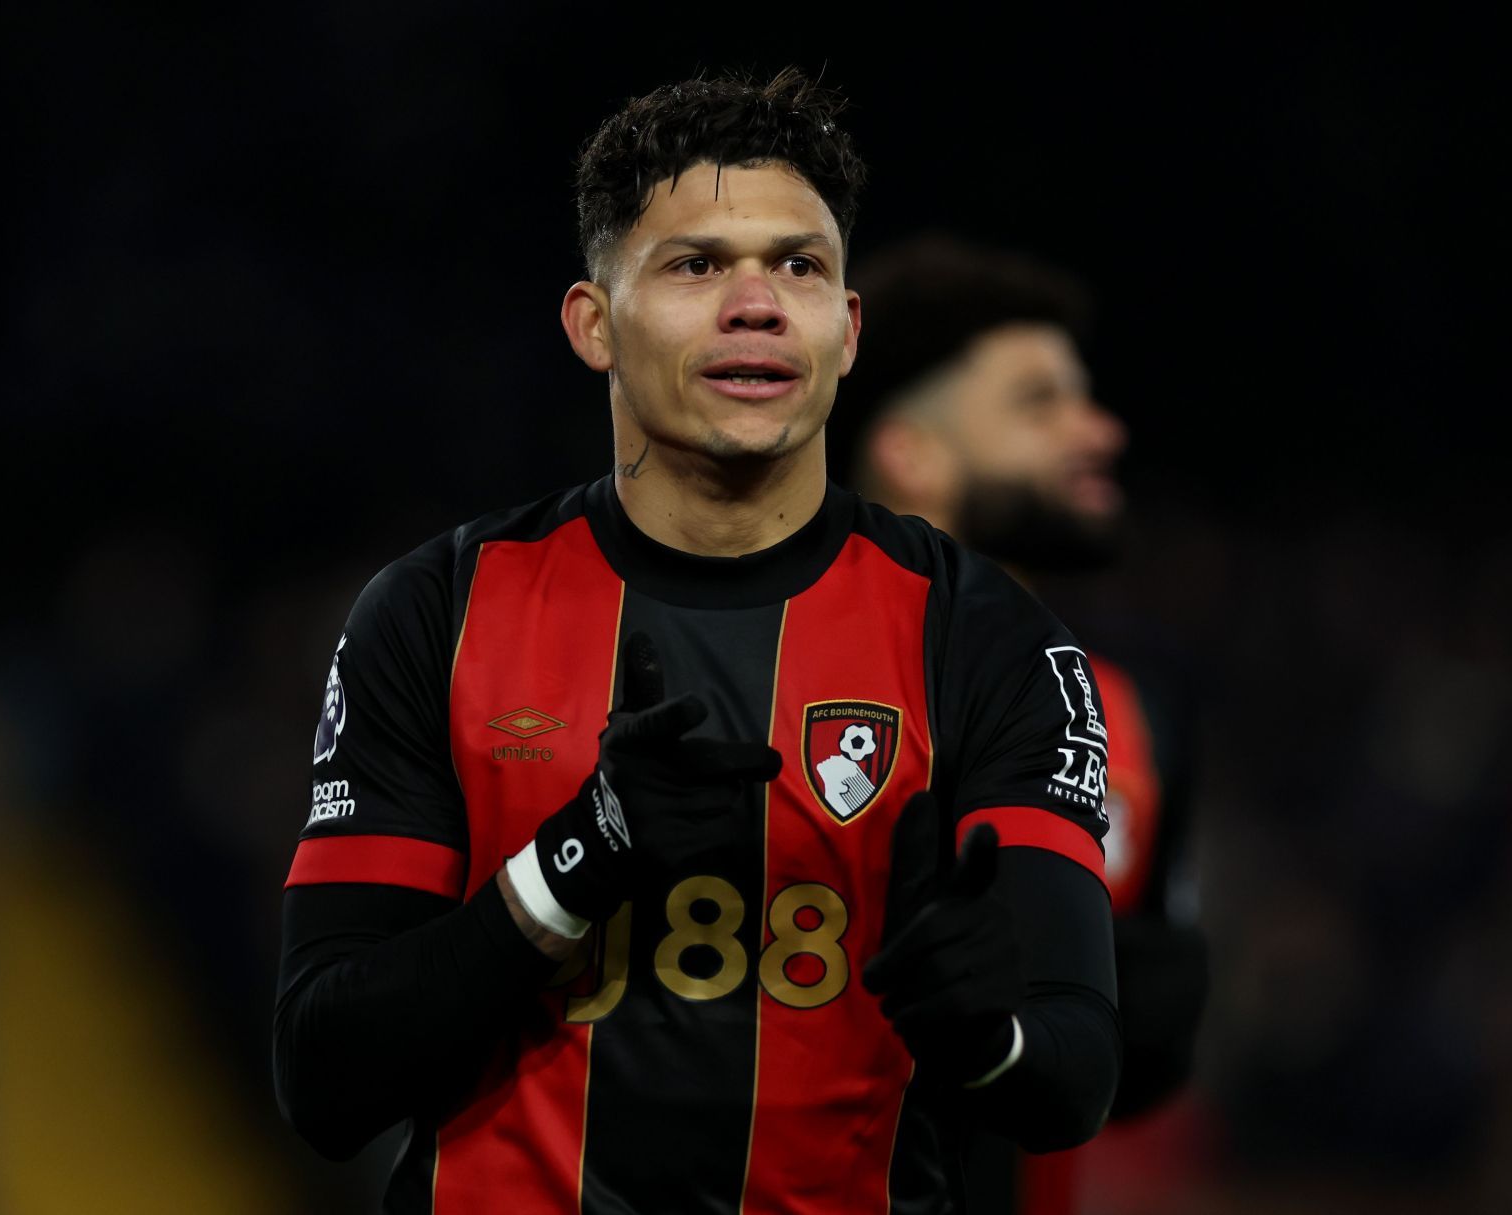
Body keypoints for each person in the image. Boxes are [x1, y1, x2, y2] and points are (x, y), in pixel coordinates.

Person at [273, 72, 1123, 1213]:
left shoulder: (990, 640)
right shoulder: (437, 612)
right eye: (696, 265)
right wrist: (578, 858)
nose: (758, 304)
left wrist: (983, 1035)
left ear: (848, 330)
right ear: (592, 323)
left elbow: (1071, 1078)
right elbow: (323, 1079)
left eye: (799, 266)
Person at [832, 235, 1209, 1214]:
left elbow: (1130, 1049)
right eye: (1040, 401)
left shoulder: (1126, 711)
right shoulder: (783, 681)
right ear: (910, 452)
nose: (1100, 431)